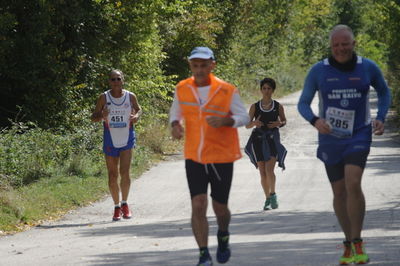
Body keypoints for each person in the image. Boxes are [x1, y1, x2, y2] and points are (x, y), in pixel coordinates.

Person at [297, 24, 391, 265]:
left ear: (353, 43)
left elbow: (384, 92)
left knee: (353, 182)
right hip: (331, 138)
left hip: (359, 134)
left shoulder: (367, 67)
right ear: (331, 46)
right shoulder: (319, 71)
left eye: (345, 44)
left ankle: (358, 241)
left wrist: (380, 116)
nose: (341, 48)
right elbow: (303, 104)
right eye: (336, 45)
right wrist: (315, 121)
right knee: (339, 192)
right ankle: (348, 243)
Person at [169, 47, 249, 266]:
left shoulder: (226, 90)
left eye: (204, 65)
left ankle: (223, 234)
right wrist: (175, 125)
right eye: (195, 65)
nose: (199, 69)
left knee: (220, 208)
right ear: (190, 65)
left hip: (221, 156)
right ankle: (203, 254)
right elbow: (175, 113)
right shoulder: (182, 88)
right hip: (194, 155)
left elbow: (243, 116)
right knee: (198, 203)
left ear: (212, 65)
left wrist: (227, 121)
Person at [91, 69, 142, 221]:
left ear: (122, 80)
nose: (115, 82)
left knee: (125, 172)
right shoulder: (104, 97)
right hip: (110, 138)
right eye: (113, 79)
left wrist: (136, 117)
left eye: (118, 79)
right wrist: (102, 115)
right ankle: (116, 206)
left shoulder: (130, 96)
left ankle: (125, 204)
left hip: (127, 137)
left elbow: (139, 109)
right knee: (113, 174)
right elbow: (93, 117)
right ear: (109, 82)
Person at [245, 77, 287, 211]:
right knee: (262, 172)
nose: (266, 91)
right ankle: (267, 199)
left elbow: (284, 121)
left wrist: (278, 123)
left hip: (272, 139)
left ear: (273, 90)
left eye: (269, 88)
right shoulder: (255, 106)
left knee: (270, 170)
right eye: (264, 88)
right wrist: (254, 123)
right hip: (258, 139)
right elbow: (247, 125)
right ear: (261, 90)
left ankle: (273, 194)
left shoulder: (278, 106)